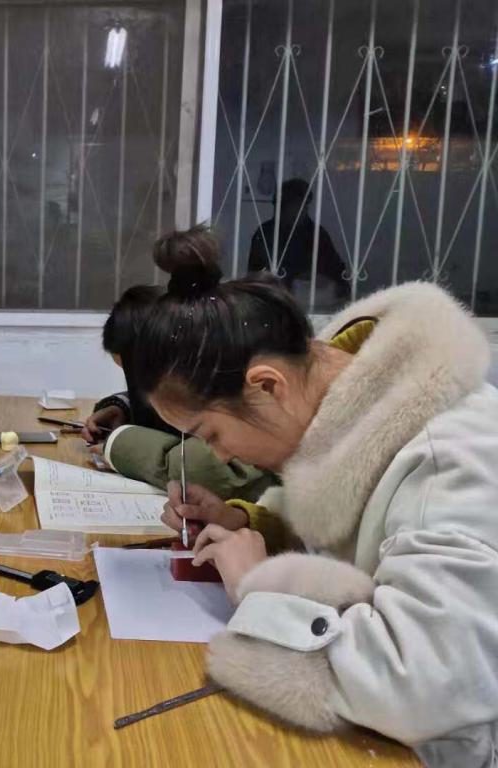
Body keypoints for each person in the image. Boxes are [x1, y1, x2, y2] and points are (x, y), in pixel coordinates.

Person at [135, 226, 498, 765]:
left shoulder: (447, 460)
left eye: (211, 434)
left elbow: (427, 683)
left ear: (267, 386)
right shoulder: (354, 405)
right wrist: (250, 521)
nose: (224, 457)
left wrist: (259, 591)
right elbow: (356, 525)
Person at [83, 242, 273, 503]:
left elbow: (207, 470)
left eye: (134, 375)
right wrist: (123, 406)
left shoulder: (245, 387)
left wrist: (119, 443)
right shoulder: (208, 358)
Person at [247, 178, 347, 310]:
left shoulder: (316, 234)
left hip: (314, 308)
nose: (302, 210)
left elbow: (338, 275)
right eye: (296, 204)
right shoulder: (266, 233)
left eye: (304, 205)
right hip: (275, 306)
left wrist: (319, 279)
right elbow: (254, 276)